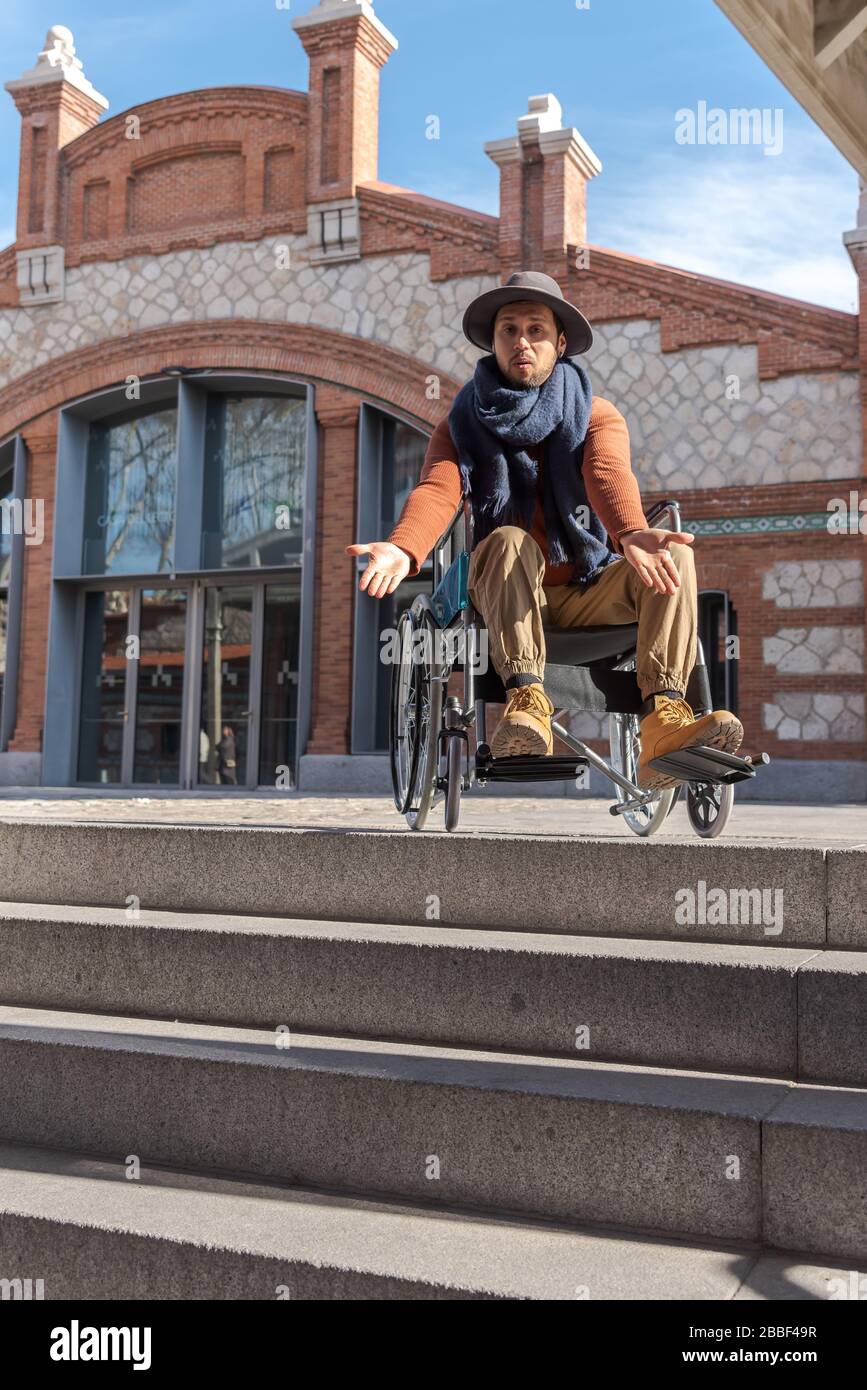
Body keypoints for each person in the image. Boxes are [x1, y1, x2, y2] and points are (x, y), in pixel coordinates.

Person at [346, 269, 743, 789]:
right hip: (509, 595)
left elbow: (605, 473)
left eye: (535, 330)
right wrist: (404, 548)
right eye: (509, 330)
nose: (522, 342)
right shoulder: (462, 422)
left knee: (678, 560)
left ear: (559, 343)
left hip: (586, 588)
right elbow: (440, 489)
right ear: (493, 342)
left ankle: (664, 722)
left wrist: (629, 531)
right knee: (509, 538)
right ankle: (528, 701)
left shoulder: (595, 414)